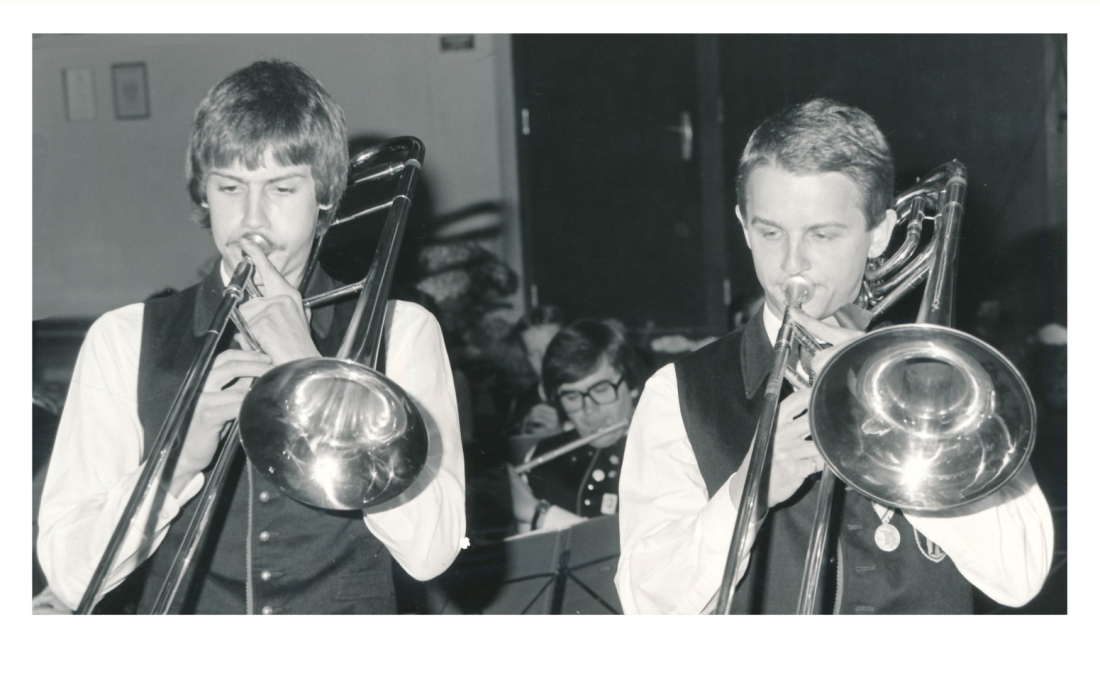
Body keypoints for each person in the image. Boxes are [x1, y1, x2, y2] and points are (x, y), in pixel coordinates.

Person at [37, 60, 465, 614]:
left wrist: (315, 374)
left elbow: (433, 552)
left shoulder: (403, 330)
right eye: (231, 187)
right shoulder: (121, 339)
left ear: (326, 198)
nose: (251, 221)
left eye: (282, 188)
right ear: (204, 195)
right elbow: (71, 579)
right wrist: (175, 463)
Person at [615, 98, 1054, 614]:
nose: (791, 262)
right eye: (770, 231)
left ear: (881, 234)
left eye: (822, 234)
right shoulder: (679, 393)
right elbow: (646, 609)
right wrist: (747, 492)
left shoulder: (945, 374)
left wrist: (902, 423)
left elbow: (1021, 574)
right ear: (743, 225)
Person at [510, 319, 643, 532]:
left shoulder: (668, 450)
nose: (589, 410)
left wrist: (539, 513)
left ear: (632, 384)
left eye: (601, 389)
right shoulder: (542, 458)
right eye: (572, 396)